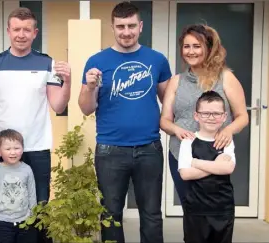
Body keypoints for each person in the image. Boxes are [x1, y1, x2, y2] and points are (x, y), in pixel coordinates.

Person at [0, 7, 71, 243]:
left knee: (39, 207)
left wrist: (67, 81)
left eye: (27, 30)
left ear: (35, 32)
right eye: (16, 29)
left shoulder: (46, 63)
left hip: (36, 149)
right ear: (8, 31)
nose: (21, 34)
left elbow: (58, 106)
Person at [78, 2, 171, 243]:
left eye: (131, 25)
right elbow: (86, 108)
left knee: (151, 214)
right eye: (121, 26)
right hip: (110, 150)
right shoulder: (96, 61)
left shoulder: (157, 60)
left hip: (149, 148)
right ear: (113, 27)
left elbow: (168, 103)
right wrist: (89, 87)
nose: (126, 31)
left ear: (140, 26)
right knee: (110, 215)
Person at [160, 24, 249, 204]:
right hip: (182, 154)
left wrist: (228, 130)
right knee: (190, 208)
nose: (191, 51)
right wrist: (176, 130)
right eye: (186, 46)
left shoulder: (226, 78)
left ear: (208, 48)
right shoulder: (176, 81)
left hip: (215, 154)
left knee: (214, 208)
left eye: (197, 46)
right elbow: (165, 120)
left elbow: (242, 116)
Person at [177, 91, 236, 243]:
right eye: (205, 113)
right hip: (196, 209)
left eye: (216, 113)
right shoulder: (188, 141)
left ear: (224, 117)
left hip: (223, 208)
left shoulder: (226, 141)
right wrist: (216, 164)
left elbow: (228, 169)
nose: (211, 117)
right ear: (196, 116)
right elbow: (185, 174)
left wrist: (195, 162)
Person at [0, 129, 37, 243]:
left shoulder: (27, 170)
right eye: (8, 149)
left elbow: (31, 194)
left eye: (16, 148)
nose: (12, 152)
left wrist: (32, 216)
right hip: (0, 223)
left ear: (22, 149)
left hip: (24, 222)